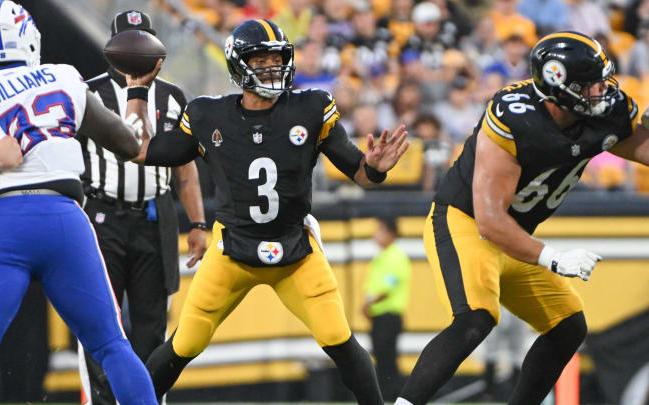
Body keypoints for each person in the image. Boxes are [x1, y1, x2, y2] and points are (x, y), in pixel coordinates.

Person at [134, 19, 409, 404]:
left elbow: (361, 172)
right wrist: (137, 90)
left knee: (338, 338)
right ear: (238, 66)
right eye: (260, 59)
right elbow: (145, 150)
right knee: (187, 342)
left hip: (295, 250)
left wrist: (376, 167)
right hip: (233, 251)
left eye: (276, 58)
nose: (271, 67)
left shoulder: (311, 107)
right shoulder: (208, 116)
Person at [395, 31, 649, 405]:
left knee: (567, 327)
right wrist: (553, 257)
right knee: (475, 318)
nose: (603, 92)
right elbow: (489, 220)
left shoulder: (603, 114)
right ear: (562, 88)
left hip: (514, 233)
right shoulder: (515, 116)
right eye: (592, 84)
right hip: (466, 222)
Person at [0, 1, 162, 404]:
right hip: (63, 220)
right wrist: (137, 90)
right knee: (111, 345)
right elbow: (130, 144)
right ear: (30, 39)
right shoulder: (62, 77)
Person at [75, 11, 206, 405]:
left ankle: (149, 400)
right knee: (100, 321)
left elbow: (185, 167)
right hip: (102, 213)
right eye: (128, 41)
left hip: (154, 214)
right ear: (112, 49)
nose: (136, 49)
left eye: (143, 40)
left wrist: (198, 221)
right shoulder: (86, 92)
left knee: (152, 327)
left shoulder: (172, 95)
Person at [362, 216, 412, 399]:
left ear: (391, 233)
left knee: (388, 359)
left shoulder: (396, 256)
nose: (375, 235)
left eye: (380, 230)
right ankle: (387, 395)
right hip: (380, 317)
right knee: (382, 359)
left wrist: (368, 303)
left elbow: (388, 286)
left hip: (389, 317)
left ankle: (393, 395)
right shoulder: (383, 256)